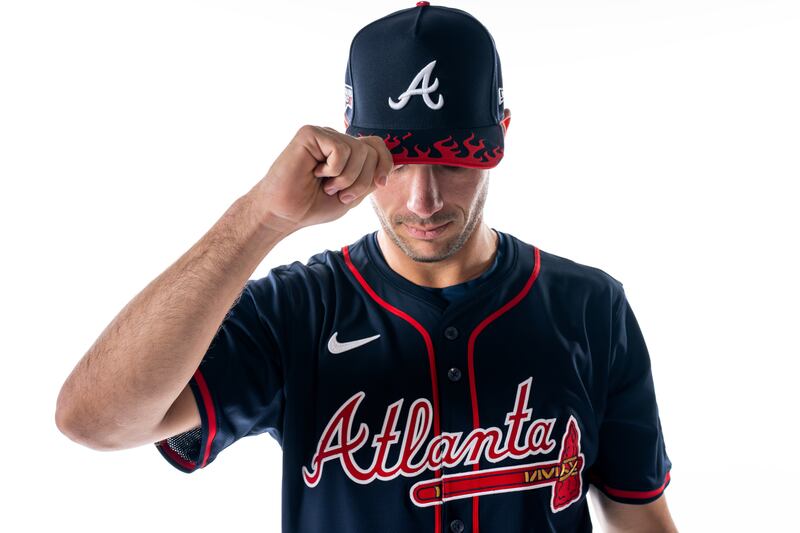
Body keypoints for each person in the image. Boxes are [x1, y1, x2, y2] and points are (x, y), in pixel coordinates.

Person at [55, 2, 677, 532]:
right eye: (397, 162)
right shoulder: (295, 311)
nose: (424, 201)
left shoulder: (590, 306)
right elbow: (93, 421)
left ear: (501, 136)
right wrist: (261, 217)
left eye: (453, 160)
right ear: (350, 145)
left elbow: (640, 515)